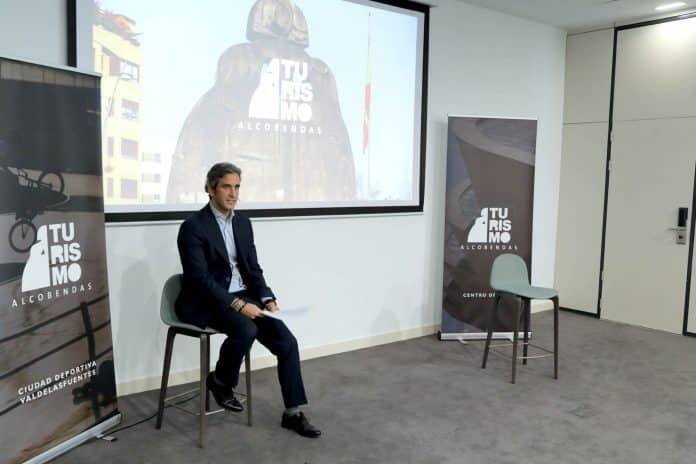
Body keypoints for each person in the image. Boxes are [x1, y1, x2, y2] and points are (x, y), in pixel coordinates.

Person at [175, 162, 321, 438]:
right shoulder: (193, 227)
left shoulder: (242, 223)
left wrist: (267, 298)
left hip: (244, 295)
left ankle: (293, 413)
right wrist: (239, 305)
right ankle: (221, 381)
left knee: (287, 343)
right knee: (246, 328)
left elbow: (253, 268)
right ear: (210, 189)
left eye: (237, 187)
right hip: (208, 299)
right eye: (226, 187)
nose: (233, 194)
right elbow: (198, 279)